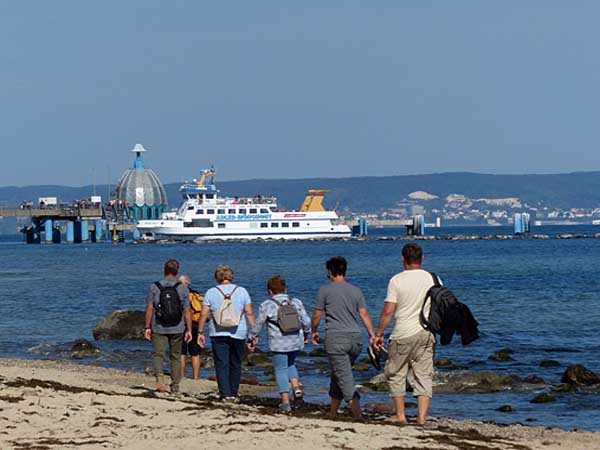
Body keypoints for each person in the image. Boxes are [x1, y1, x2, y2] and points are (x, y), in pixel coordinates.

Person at [373, 243, 437, 426]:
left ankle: (400, 415)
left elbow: (388, 311)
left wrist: (379, 334)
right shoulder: (433, 278)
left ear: (403, 259)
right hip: (426, 332)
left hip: (403, 333)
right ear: (422, 258)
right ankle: (422, 418)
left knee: (396, 373)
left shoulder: (397, 280)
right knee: (424, 374)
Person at [311, 256, 376, 420]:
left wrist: (313, 331)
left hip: (336, 339)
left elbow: (317, 314)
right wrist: (372, 335)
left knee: (344, 376)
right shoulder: (356, 291)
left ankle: (358, 414)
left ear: (329, 271)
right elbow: (364, 314)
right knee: (338, 373)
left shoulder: (324, 290)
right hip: (355, 339)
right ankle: (333, 412)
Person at [248, 275, 311, 412]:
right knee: (291, 363)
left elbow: (258, 324)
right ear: (285, 289)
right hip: (295, 341)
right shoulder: (296, 302)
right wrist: (307, 333)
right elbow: (306, 321)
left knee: (280, 369)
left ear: (270, 291)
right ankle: (296, 389)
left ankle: (285, 401)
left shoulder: (267, 305)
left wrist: (252, 337)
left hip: (278, 343)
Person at [197, 265, 255, 401]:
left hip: (217, 332)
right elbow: (249, 313)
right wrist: (254, 333)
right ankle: (234, 392)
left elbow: (204, 313)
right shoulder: (242, 291)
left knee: (221, 363)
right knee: (236, 363)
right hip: (238, 331)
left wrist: (200, 331)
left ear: (217, 277)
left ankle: (225, 393)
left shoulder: (211, 292)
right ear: (231, 276)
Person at [144, 259, 192, 394]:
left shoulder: (154, 287)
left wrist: (147, 326)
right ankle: (175, 384)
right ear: (177, 272)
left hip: (159, 326)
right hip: (178, 327)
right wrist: (189, 329)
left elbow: (149, 308)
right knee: (176, 356)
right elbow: (187, 310)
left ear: (164, 270)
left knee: (158, 354)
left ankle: (160, 380)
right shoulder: (182, 288)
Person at [178, 275, 204, 380]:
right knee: (195, 352)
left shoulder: (177, 293)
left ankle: (182, 376)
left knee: (181, 351)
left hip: (180, 324)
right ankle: (196, 377)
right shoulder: (195, 294)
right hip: (195, 324)